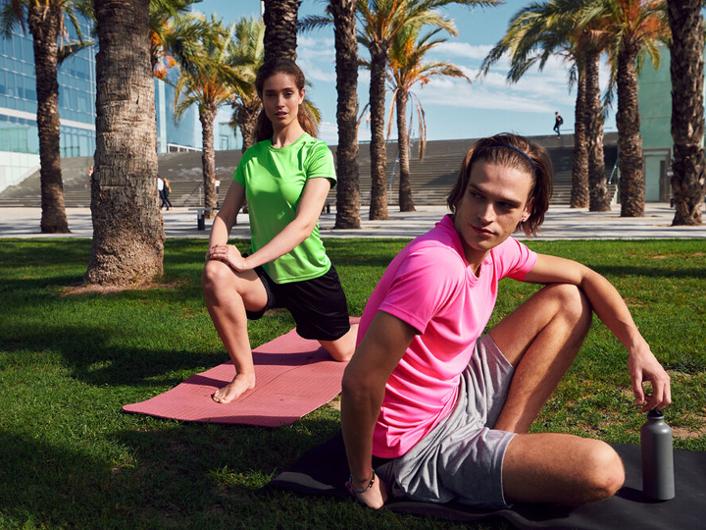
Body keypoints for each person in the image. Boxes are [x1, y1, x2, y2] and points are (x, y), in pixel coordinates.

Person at [341, 133, 671, 510]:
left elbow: (584, 276)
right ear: (462, 191)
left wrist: (638, 347)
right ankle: (486, 457)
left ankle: (502, 440)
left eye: (504, 205)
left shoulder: (495, 250)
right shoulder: (435, 265)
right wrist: (362, 480)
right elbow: (360, 380)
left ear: (527, 209)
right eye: (477, 196)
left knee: (568, 298)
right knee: (602, 469)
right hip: (414, 445)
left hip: (454, 392)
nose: (486, 216)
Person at [202, 59, 357, 404]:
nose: (279, 102)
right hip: (267, 277)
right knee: (215, 273)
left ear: (301, 95)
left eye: (287, 93)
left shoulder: (315, 153)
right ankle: (245, 373)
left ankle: (369, 327)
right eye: (271, 95)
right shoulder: (253, 157)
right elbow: (225, 215)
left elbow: (303, 225)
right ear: (262, 99)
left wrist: (246, 260)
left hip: (309, 275)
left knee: (343, 353)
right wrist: (217, 252)